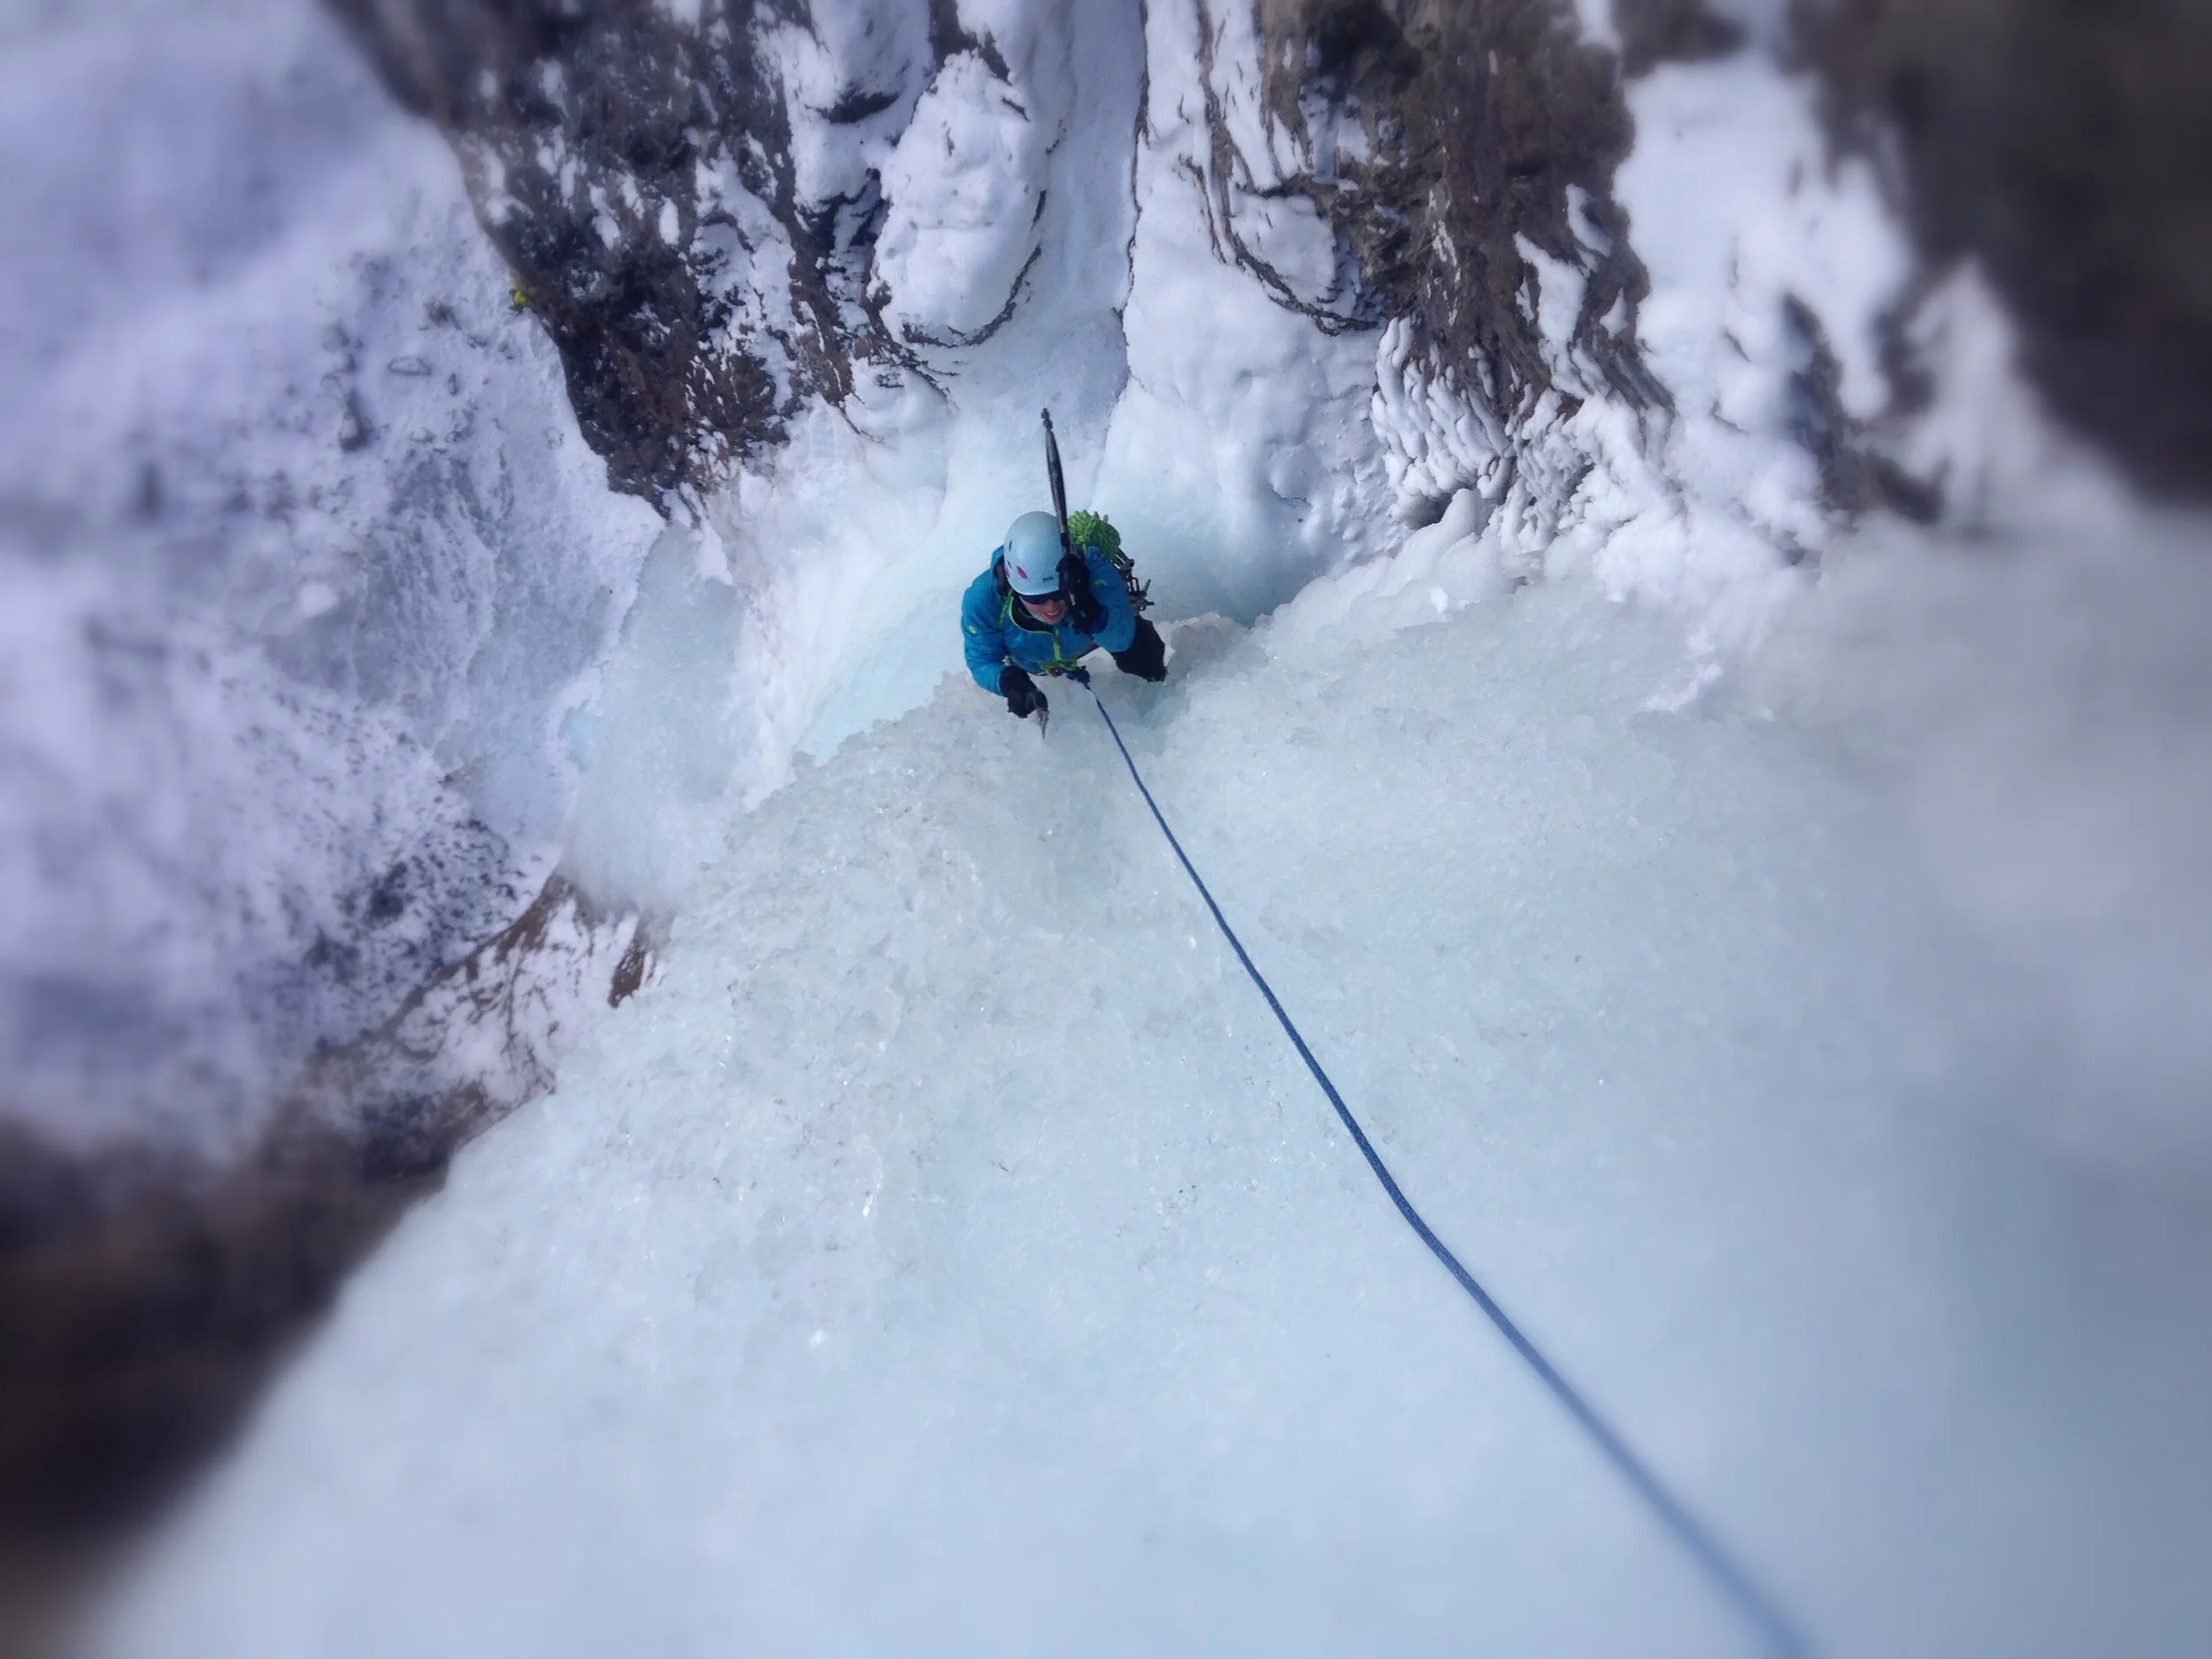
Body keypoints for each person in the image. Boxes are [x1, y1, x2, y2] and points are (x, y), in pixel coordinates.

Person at [962, 511, 1167, 720]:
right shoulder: (983, 600)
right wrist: (1006, 680)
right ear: (1014, 587)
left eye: (1059, 594)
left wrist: (1093, 612)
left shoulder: (1093, 568)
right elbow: (982, 659)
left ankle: (1162, 686)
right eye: (1037, 599)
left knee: (1140, 653)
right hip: (1033, 660)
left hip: (1087, 640)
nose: (1051, 608)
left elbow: (1121, 639)